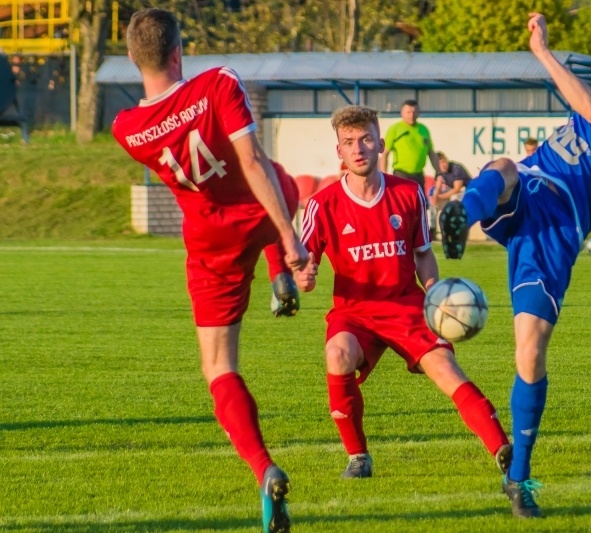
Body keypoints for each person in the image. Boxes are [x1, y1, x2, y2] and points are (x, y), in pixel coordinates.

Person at [439, 12, 591, 518]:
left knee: (529, 352)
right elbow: (590, 102)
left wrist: (543, 52)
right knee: (504, 168)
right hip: (530, 183)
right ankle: (462, 214)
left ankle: (519, 477)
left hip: (558, 227)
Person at [111, 8, 309, 533]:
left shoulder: (126, 128)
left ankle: (263, 468)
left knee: (219, 367)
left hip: (210, 240)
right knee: (282, 175)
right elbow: (250, 161)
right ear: (180, 51)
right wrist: (288, 237)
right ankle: (278, 274)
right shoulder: (218, 83)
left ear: (134, 59)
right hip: (260, 214)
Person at [294, 104, 511, 480]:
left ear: (380, 144)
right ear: (340, 152)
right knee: (337, 353)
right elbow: (303, 265)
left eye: (365, 139)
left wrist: (434, 294)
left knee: (446, 369)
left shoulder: (409, 194)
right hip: (355, 311)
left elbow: (423, 255)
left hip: (407, 305)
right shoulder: (322, 204)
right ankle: (358, 457)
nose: (358, 148)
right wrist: (304, 277)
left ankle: (504, 452)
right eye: (349, 142)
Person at [379, 99, 440, 189]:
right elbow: (385, 154)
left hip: (419, 175)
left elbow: (431, 153)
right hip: (401, 174)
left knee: (419, 202)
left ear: (419, 112)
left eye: (414, 112)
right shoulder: (395, 129)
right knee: (402, 202)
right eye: (408, 112)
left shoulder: (424, 130)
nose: (411, 115)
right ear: (402, 113)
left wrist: (439, 172)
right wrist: (384, 175)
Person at [428, 151, 472, 239]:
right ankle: (432, 230)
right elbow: (438, 186)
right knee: (432, 200)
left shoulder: (456, 168)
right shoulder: (439, 171)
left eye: (444, 162)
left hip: (466, 192)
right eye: (440, 163)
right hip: (452, 192)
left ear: (447, 160)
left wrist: (439, 197)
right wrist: (435, 197)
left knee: (454, 198)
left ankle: (455, 230)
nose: (443, 165)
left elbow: (457, 189)